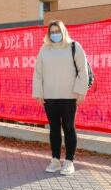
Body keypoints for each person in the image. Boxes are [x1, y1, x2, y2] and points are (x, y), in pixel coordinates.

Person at [32, 20, 89, 175]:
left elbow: (83, 71)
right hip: (49, 97)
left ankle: (69, 161)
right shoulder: (44, 49)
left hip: (69, 96)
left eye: (57, 31)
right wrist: (38, 93)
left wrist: (81, 92)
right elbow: (37, 73)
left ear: (63, 31)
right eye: (52, 32)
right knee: (54, 129)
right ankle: (56, 160)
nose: (55, 34)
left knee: (69, 128)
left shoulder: (73, 46)